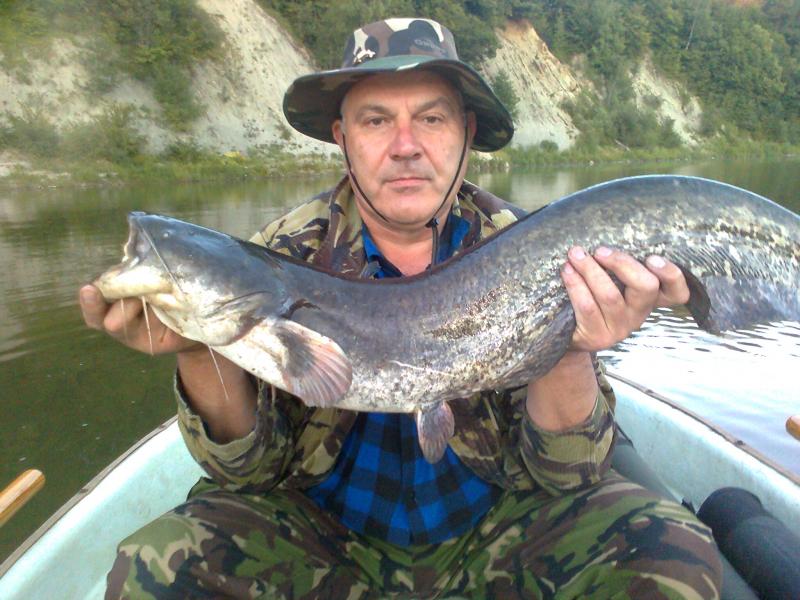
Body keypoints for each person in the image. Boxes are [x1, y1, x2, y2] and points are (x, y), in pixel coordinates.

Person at [80, 18, 722, 599]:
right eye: (376, 120)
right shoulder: (282, 253)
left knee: (672, 550)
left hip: (495, 533)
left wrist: (571, 347)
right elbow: (246, 474)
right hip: (324, 540)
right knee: (156, 566)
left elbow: (568, 474)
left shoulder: (539, 252)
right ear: (343, 138)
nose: (406, 145)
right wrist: (199, 348)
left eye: (432, 119)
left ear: (467, 134)